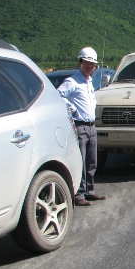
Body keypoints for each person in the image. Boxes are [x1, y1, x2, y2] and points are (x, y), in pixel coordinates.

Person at [57, 47, 107, 206]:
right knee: (81, 161)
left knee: (92, 161)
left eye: (92, 64)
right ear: (80, 62)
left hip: (92, 126)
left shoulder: (89, 82)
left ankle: (90, 191)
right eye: (86, 63)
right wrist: (71, 108)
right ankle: (79, 194)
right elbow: (58, 95)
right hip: (80, 126)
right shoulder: (72, 82)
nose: (89, 66)